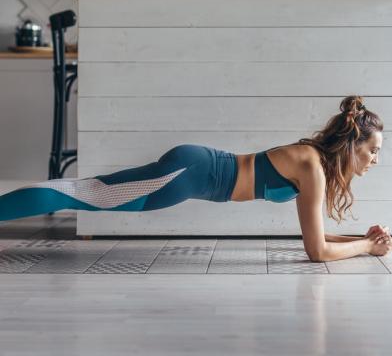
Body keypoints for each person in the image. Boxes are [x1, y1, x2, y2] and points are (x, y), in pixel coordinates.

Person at [0, 95, 389, 261]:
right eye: (373, 150)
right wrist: (367, 249)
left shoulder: (314, 166)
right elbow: (317, 253)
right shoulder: (312, 166)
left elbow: (314, 239)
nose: (375, 160)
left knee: (85, 192)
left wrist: (363, 239)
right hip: (190, 172)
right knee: (81, 193)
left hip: (191, 173)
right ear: (352, 144)